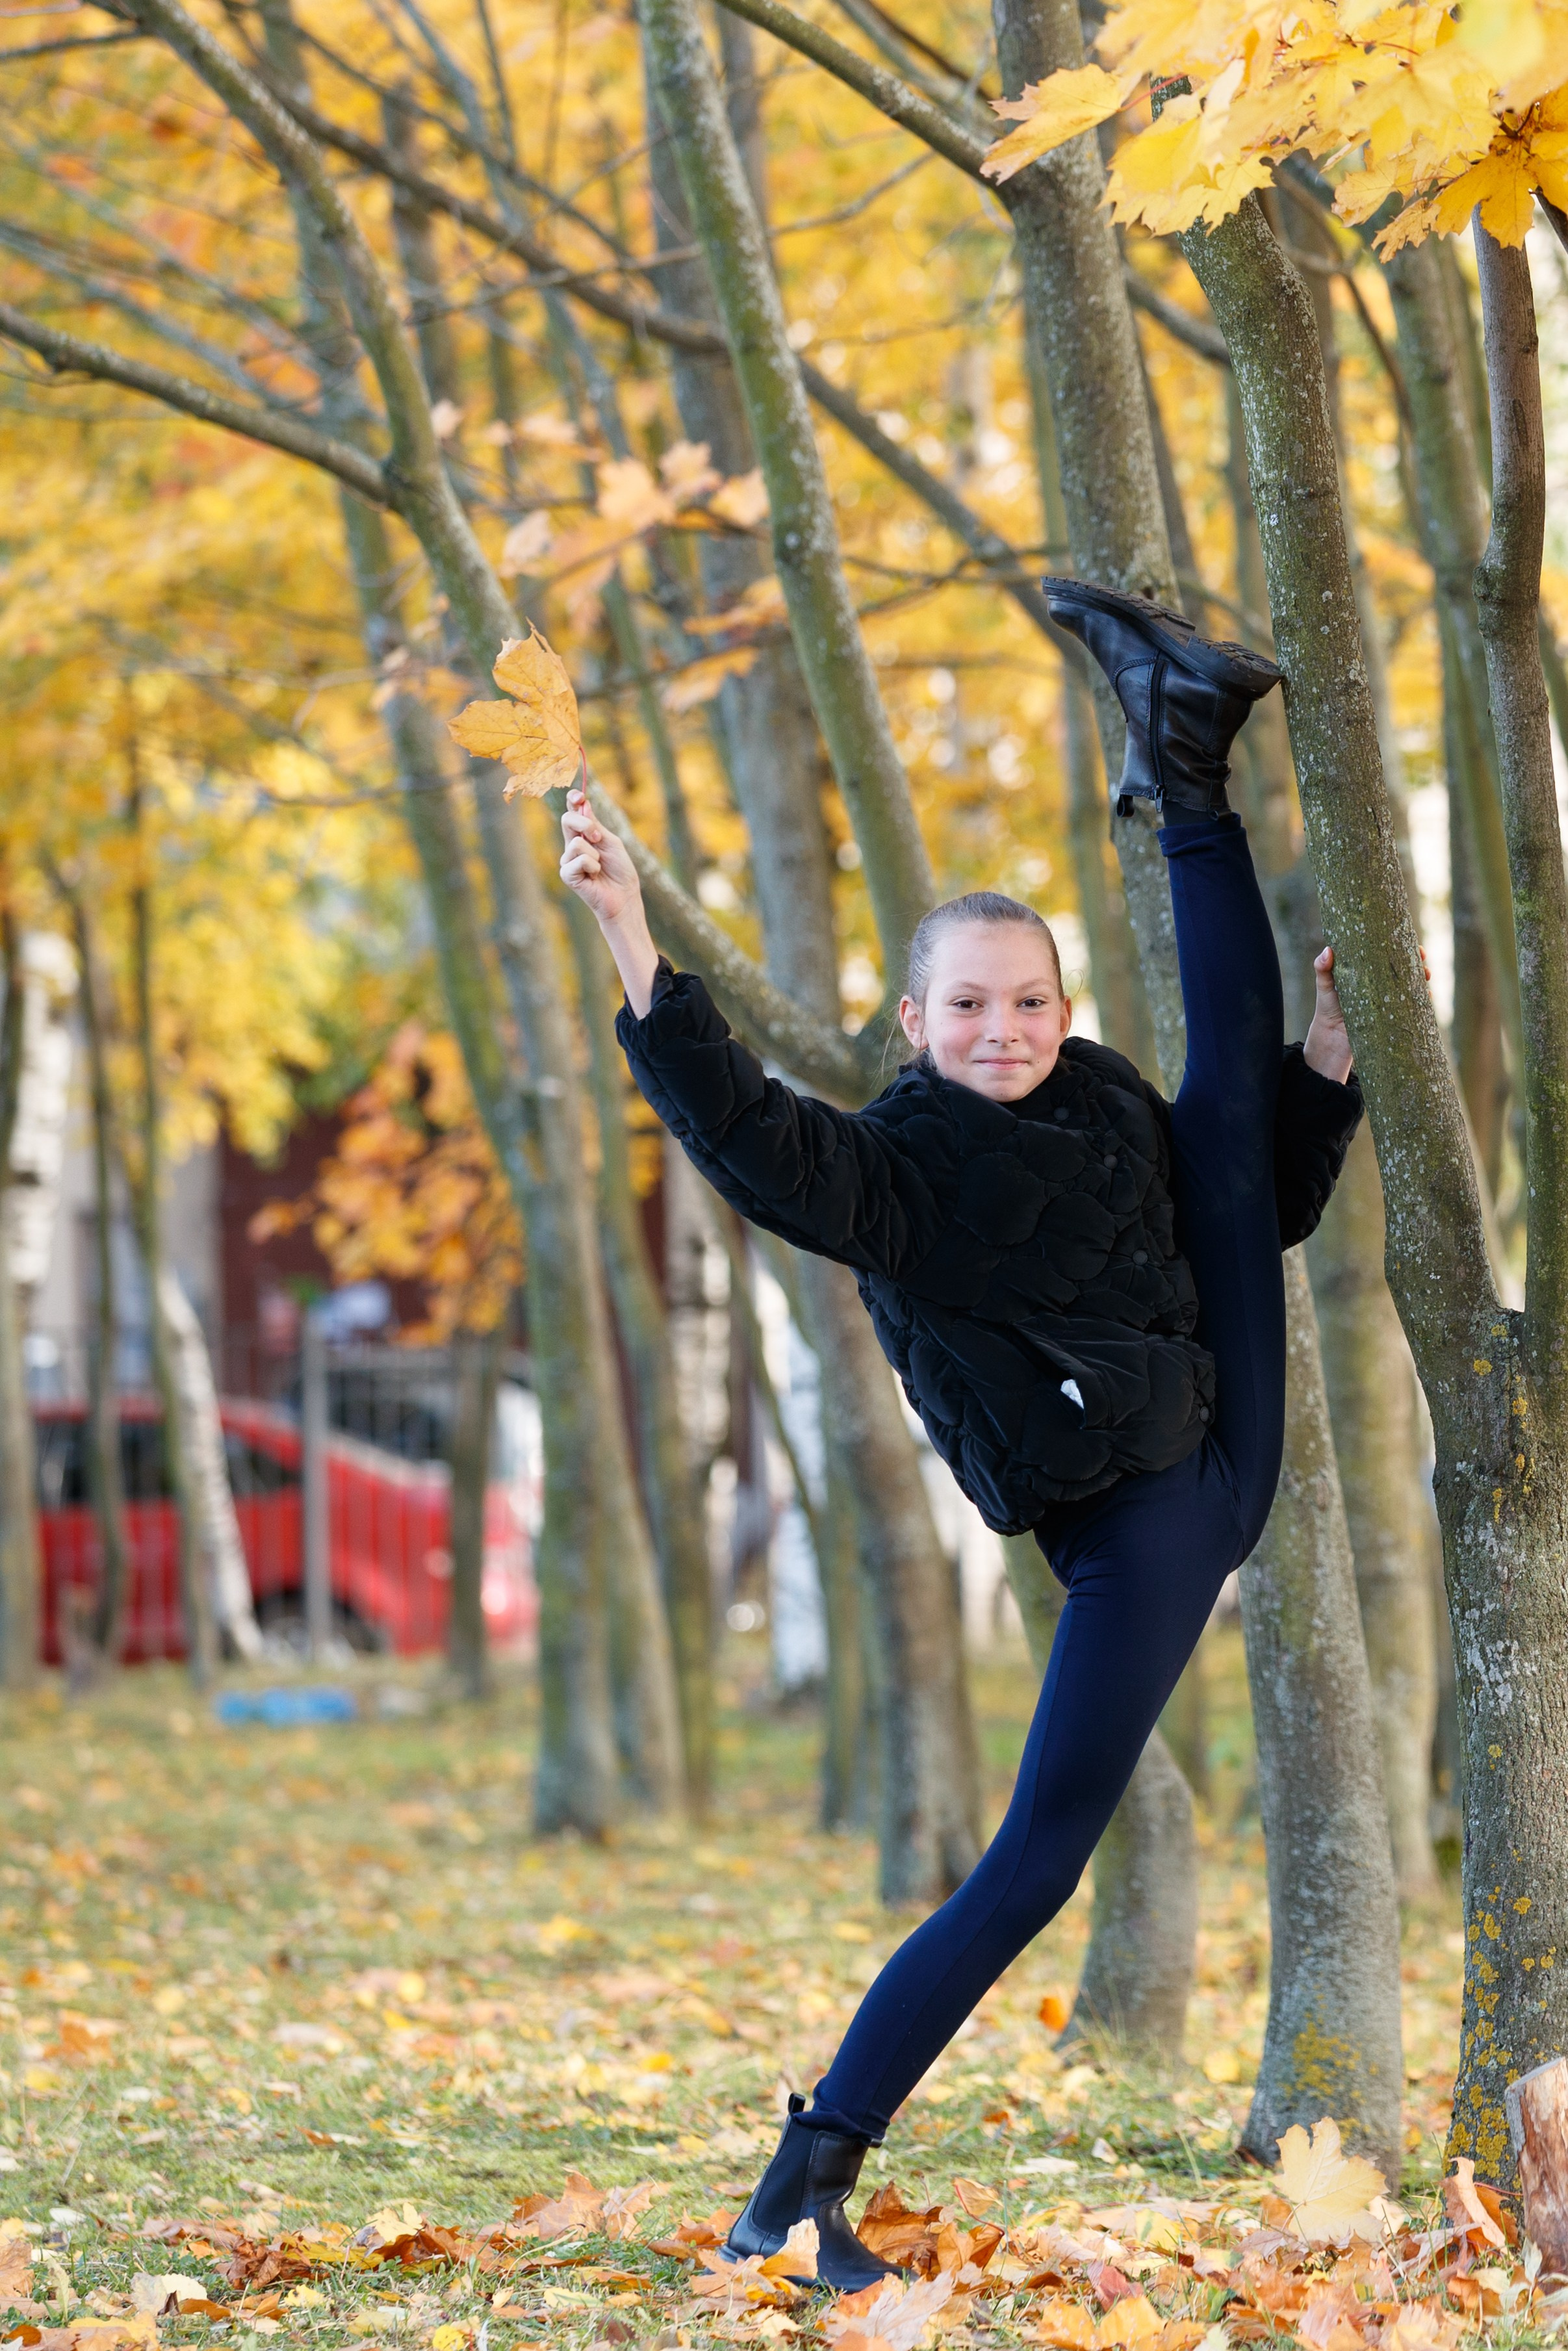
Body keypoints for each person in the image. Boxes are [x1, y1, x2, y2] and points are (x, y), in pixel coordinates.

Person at [559, 580, 1363, 2289]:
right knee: (1033, 1860)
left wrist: (1334, 1065)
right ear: (913, 1022)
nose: (1004, 1030)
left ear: (1059, 1008)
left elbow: (1259, 1207)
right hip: (1144, 1495)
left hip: (1211, 1419)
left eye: (1028, 1000)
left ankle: (1188, 743)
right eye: (969, 1006)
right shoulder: (900, 1169)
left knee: (1223, 1108)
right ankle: (799, 2181)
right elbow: (755, 1141)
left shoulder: (1099, 1095)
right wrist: (635, 932)